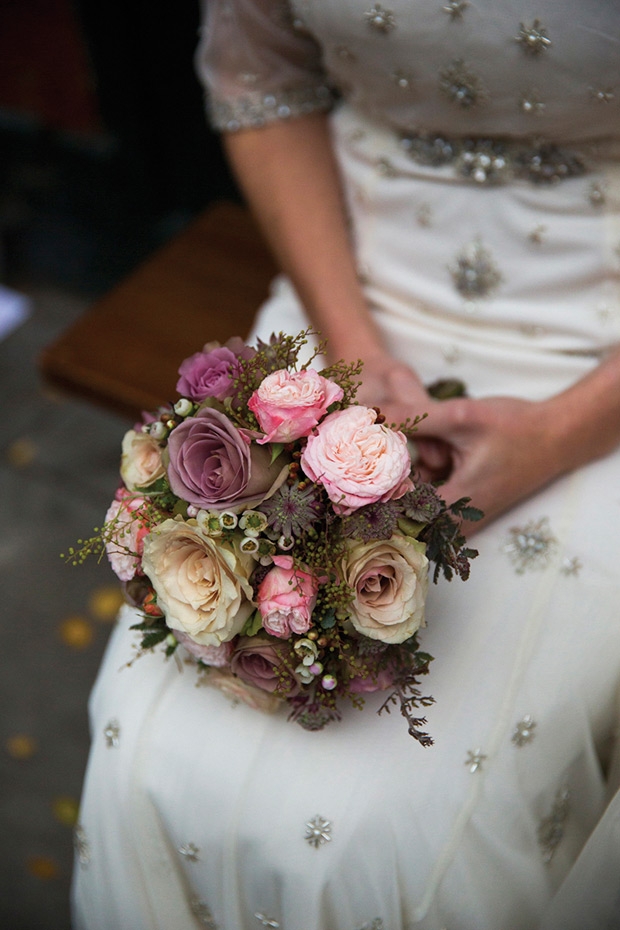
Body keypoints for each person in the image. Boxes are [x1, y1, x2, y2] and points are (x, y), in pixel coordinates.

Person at [72, 2, 620, 928]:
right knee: (144, 761)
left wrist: (563, 436)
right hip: (350, 285)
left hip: (596, 351)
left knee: (413, 828)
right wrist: (353, 348)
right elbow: (261, 78)